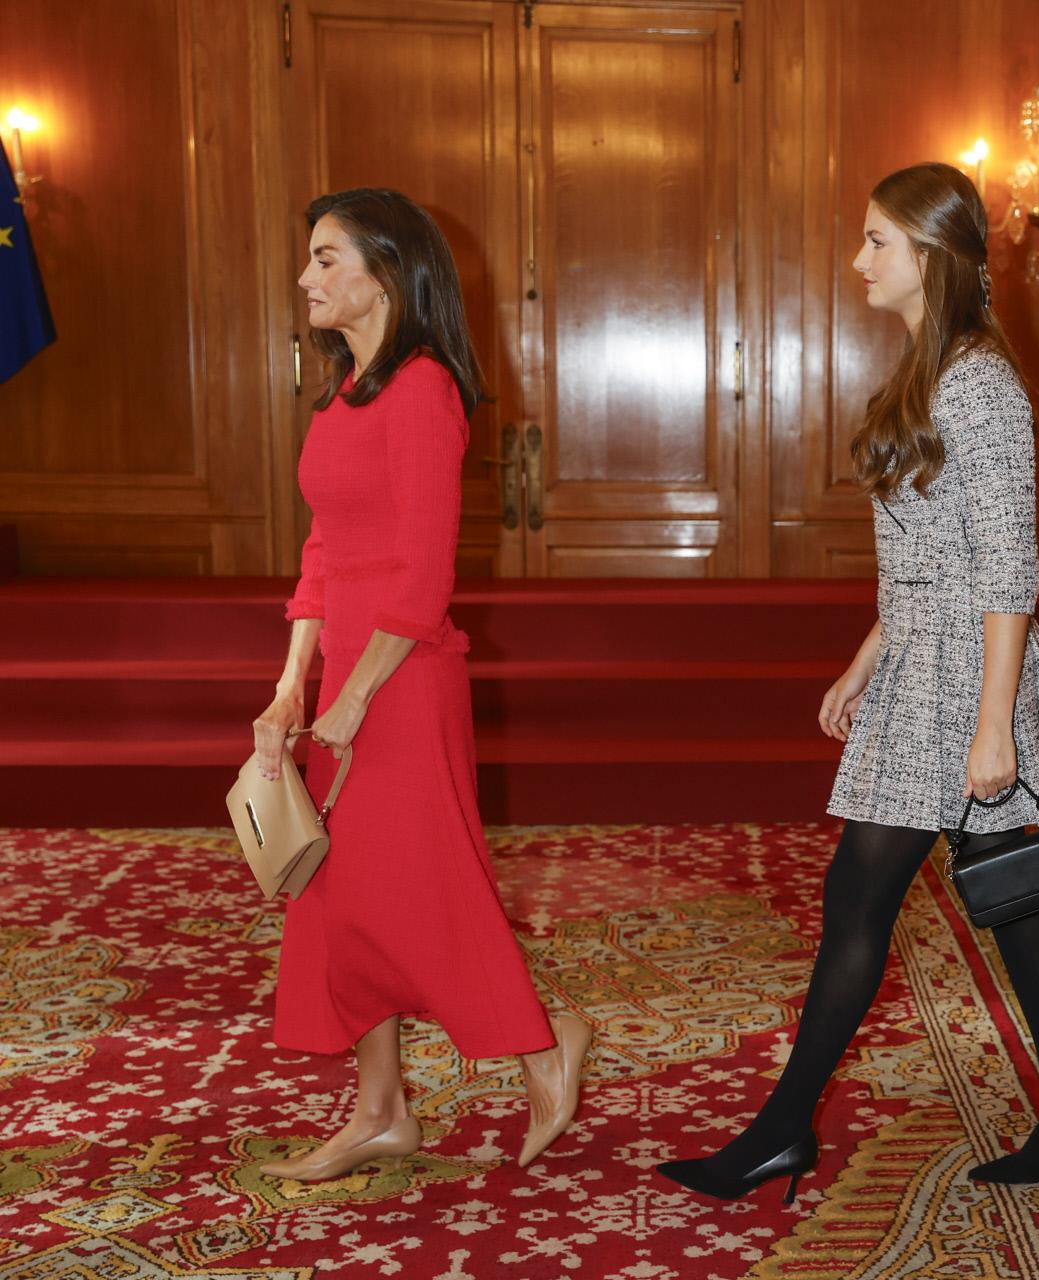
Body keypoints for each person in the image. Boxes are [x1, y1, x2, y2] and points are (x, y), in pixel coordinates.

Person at [656, 162, 1039, 1201]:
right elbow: (927, 550)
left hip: (968, 678)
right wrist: (867, 657)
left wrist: (993, 726)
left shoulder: (981, 384)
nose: (857, 258)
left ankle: (781, 1127)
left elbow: (1009, 567)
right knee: (1013, 899)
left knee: (862, 893)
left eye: (876, 241)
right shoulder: (930, 367)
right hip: (922, 660)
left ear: (931, 255)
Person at [249, 188, 592, 1181]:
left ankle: (542, 1039)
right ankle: (381, 1110)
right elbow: (322, 551)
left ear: (387, 271)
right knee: (335, 896)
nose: (307, 278)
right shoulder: (340, 397)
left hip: (403, 677)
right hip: (345, 675)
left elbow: (423, 570)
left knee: (420, 888)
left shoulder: (426, 390)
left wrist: (356, 691)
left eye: (325, 257)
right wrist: (289, 685)